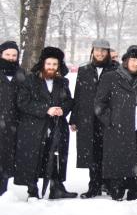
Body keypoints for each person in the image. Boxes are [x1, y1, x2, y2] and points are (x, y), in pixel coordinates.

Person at [14, 46, 75, 199]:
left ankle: (57, 188)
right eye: (49, 64)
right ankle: (32, 190)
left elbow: (68, 101)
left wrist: (62, 109)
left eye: (55, 65)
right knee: (34, 158)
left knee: (54, 156)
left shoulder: (63, 82)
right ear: (43, 64)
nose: (51, 67)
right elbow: (22, 102)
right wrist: (45, 109)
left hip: (56, 126)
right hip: (33, 127)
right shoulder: (30, 80)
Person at [94, 45, 137, 201]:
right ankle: (117, 190)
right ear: (126, 61)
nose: (135, 64)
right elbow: (99, 104)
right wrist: (111, 121)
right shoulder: (110, 77)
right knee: (118, 160)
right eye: (133, 60)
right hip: (118, 128)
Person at [69, 38, 115, 198]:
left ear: (108, 53)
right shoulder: (84, 70)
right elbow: (78, 95)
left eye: (103, 50)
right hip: (88, 119)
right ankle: (94, 186)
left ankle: (109, 184)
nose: (100, 53)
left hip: (109, 119)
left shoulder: (116, 69)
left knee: (109, 152)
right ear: (92, 51)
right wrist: (74, 119)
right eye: (97, 50)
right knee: (93, 154)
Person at [0, 41, 26, 195]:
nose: (11, 58)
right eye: (7, 54)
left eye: (14, 55)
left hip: (13, 124)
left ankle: (3, 190)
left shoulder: (21, 74)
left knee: (7, 158)